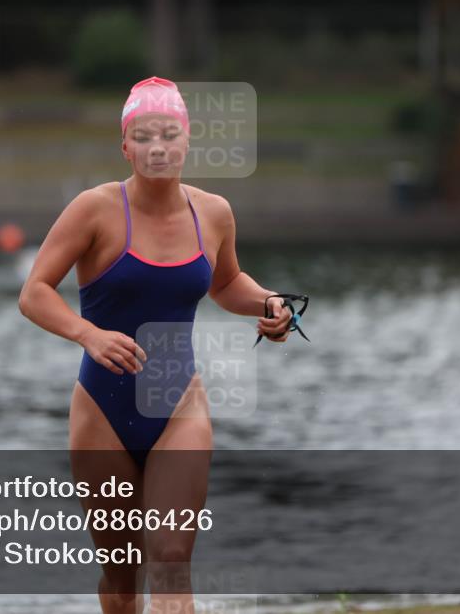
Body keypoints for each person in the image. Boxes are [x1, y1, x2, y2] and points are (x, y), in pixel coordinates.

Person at [19, 76, 294, 613]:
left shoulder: (213, 213)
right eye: (144, 136)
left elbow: (225, 284)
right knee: (122, 578)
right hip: (101, 408)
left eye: (170, 134)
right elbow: (33, 293)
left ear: (187, 140)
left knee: (170, 558)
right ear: (125, 146)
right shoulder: (94, 210)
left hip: (178, 403)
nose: (158, 146)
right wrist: (88, 334)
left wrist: (270, 304)